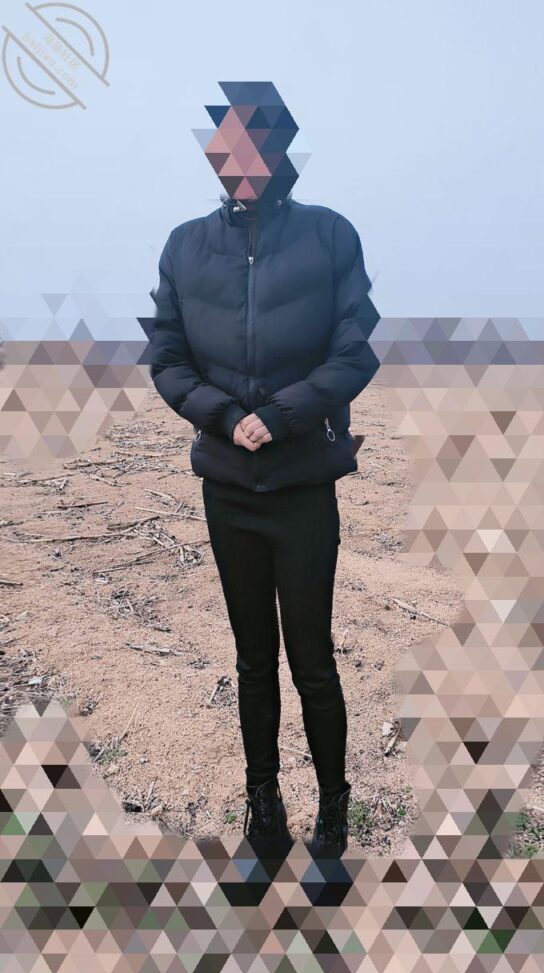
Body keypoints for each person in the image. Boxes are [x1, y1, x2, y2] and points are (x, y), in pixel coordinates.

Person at [149, 82, 380, 857]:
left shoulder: (328, 236)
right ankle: (266, 811)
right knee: (253, 662)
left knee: (312, 661)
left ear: (282, 152)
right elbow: (168, 357)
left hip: (302, 486)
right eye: (229, 145)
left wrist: (280, 415)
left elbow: (355, 351)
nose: (242, 160)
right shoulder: (185, 247)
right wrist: (223, 415)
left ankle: (334, 817)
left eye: (258, 143)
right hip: (228, 490)